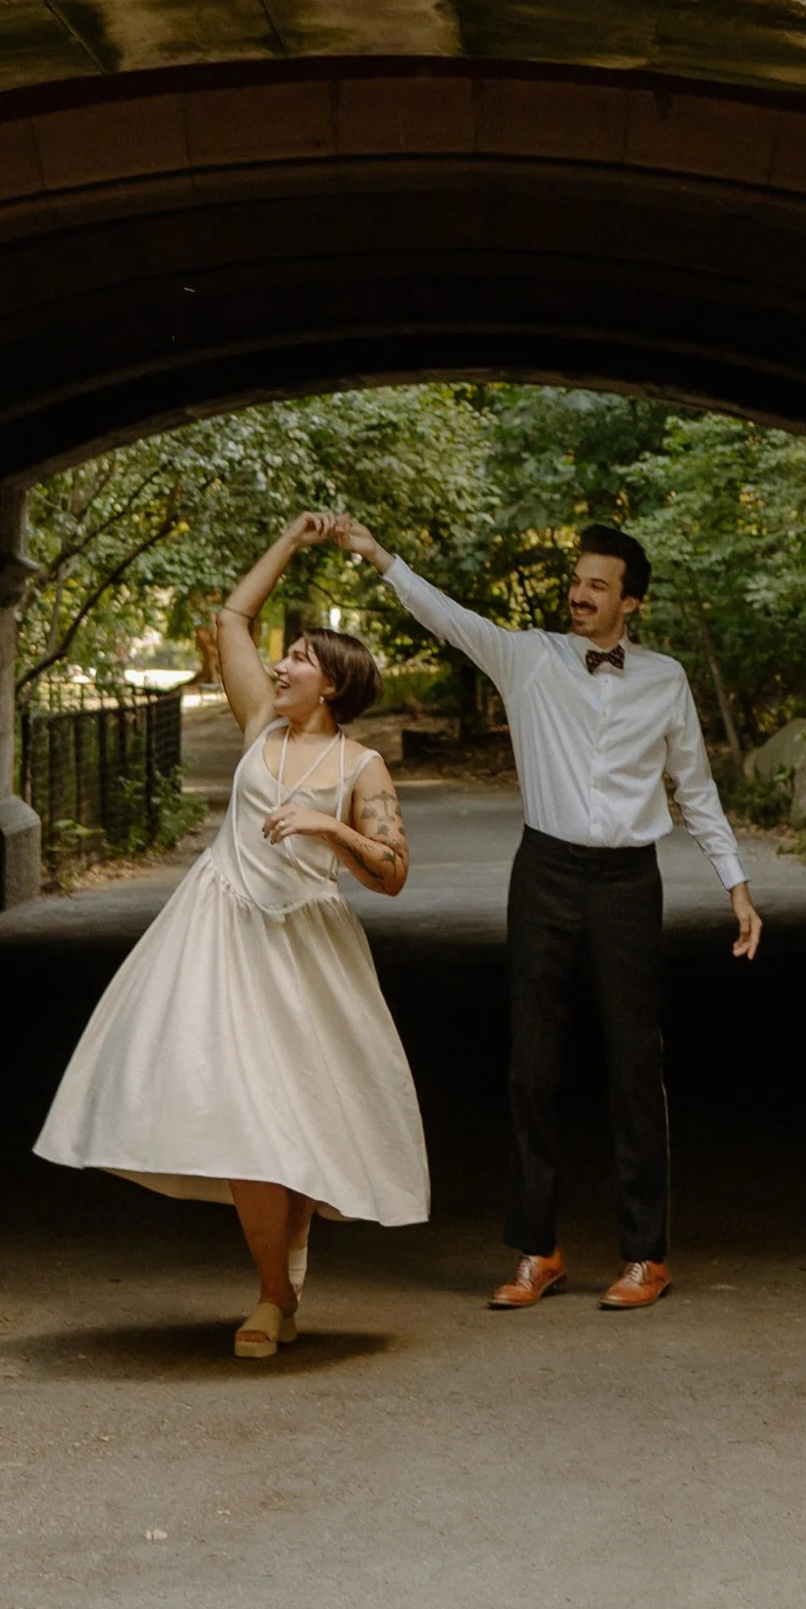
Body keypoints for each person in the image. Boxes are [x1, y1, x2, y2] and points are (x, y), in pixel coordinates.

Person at [333, 512, 759, 1311]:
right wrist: (379, 556)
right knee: (534, 1063)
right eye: (576, 582)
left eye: (598, 586)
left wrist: (735, 885)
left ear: (631, 602)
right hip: (547, 874)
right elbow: (449, 617)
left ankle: (645, 1256)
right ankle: (537, 1250)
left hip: (630, 881)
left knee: (635, 1064)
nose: (579, 596)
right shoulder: (529, 657)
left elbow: (693, 788)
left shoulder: (665, 679)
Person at [34, 513, 428, 1361]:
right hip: (220, 937)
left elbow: (393, 872)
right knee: (245, 1118)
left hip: (309, 956)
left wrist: (333, 832)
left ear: (331, 687)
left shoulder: (362, 769)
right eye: (283, 658)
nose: (279, 666)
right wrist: (286, 539)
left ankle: (285, 1269)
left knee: (296, 1120)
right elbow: (231, 621)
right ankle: (273, 1296)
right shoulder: (259, 726)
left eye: (300, 662)